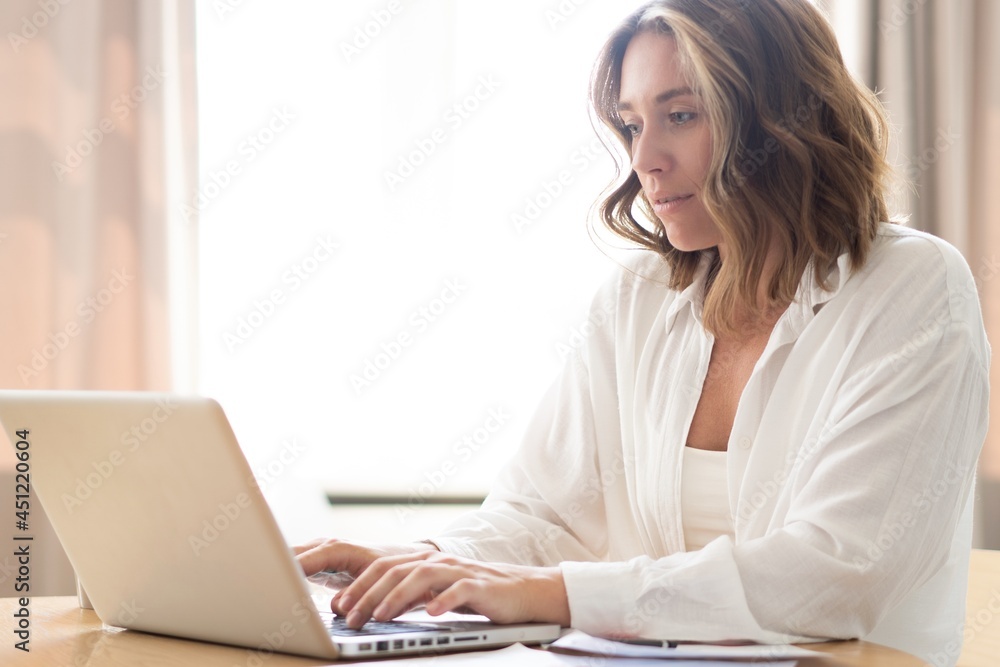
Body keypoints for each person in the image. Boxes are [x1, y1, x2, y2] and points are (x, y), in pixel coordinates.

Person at [295, 1, 989, 664]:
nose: (644, 159)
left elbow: (836, 573)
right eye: (631, 125)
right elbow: (544, 512)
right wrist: (427, 564)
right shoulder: (641, 297)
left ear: (782, 120)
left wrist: (555, 594)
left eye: (680, 115)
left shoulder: (915, 290)